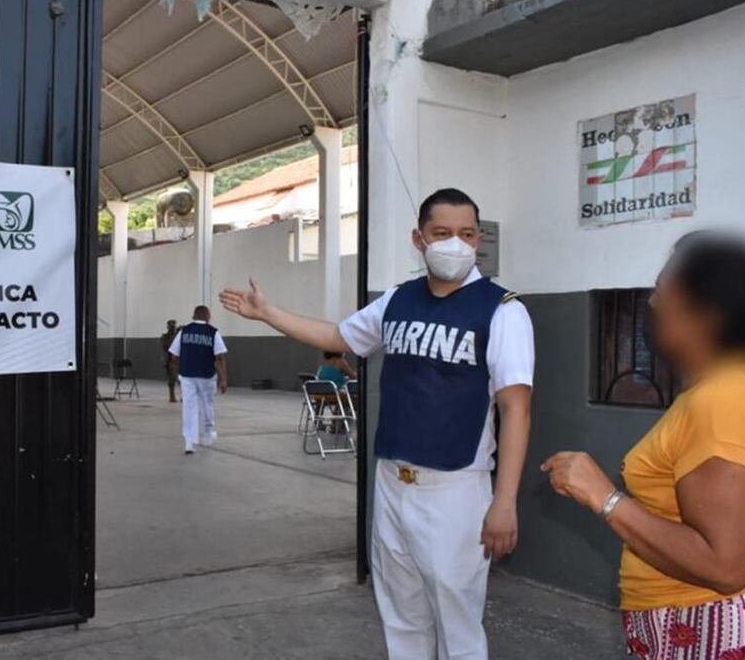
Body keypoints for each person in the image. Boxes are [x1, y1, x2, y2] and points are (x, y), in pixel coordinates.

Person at [221, 188, 534, 659]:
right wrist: (268, 313)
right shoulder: (397, 301)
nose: (456, 244)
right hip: (392, 481)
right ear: (419, 238)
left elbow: (516, 408)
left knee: (458, 623)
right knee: (401, 615)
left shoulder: (503, 310)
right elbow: (337, 336)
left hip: (455, 488)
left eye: (467, 234)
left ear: (478, 240)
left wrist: (504, 500)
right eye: (442, 233)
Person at [542, 232, 745, 659]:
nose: (653, 304)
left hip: (712, 626)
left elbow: (726, 567)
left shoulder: (723, 401)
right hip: (714, 620)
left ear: (707, 317)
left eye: (664, 292)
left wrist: (604, 498)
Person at [168, 306, 228, 454]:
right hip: (206, 375)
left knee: (189, 408)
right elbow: (219, 357)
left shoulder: (183, 331)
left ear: (193, 316)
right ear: (208, 317)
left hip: (187, 375)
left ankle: (189, 443)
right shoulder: (213, 332)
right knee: (207, 405)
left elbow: (174, 357)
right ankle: (207, 433)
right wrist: (223, 379)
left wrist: (176, 375)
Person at [160, 319, 180, 402]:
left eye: (173, 325)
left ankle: (184, 396)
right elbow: (166, 347)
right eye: (171, 325)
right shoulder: (165, 336)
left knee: (182, 379)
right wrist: (175, 335)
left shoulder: (178, 335)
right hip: (170, 359)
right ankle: (172, 396)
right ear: (168, 327)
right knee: (172, 379)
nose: (172, 327)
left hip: (180, 359)